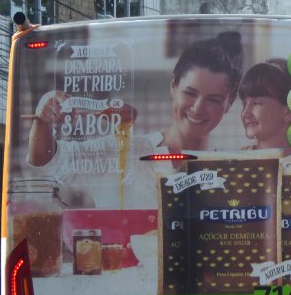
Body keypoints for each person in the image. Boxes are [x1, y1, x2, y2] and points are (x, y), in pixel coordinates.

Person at [26, 31, 243, 208]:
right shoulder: (125, 151)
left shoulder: (233, 169)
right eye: (190, 93)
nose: (198, 108)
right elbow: (47, 162)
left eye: (213, 100)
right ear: (173, 85)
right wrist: (43, 118)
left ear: (230, 102)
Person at [238, 58, 291, 244]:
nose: (245, 113)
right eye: (244, 103)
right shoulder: (236, 159)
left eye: (257, 103)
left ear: (289, 112)